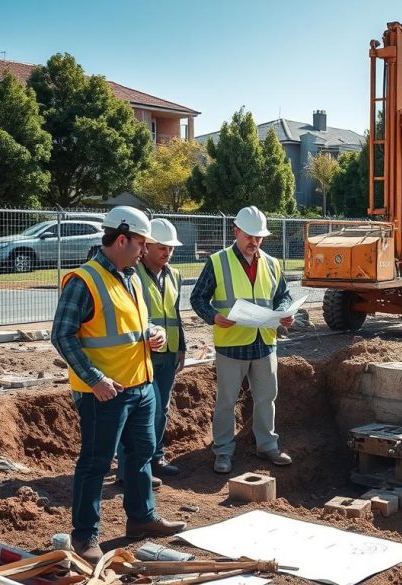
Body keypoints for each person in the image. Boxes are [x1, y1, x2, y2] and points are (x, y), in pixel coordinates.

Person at [51, 206, 186, 564]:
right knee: (95, 463)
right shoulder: (84, 280)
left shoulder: (130, 277)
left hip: (140, 385)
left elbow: (131, 327)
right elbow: (62, 335)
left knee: (140, 456)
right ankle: (85, 536)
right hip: (105, 393)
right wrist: (94, 380)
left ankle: (142, 518)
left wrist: (152, 333)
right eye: (141, 243)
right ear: (121, 239)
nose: (145, 251)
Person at [190, 205, 292, 474]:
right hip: (231, 342)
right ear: (236, 231)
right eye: (249, 235)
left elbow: (284, 295)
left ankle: (267, 445)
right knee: (226, 400)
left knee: (266, 397)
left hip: (264, 341)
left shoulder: (272, 263)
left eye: (258, 237)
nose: (254, 241)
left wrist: (284, 312)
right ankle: (223, 451)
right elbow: (197, 298)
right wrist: (213, 316)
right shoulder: (218, 261)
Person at [116, 218, 186, 480]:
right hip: (141, 354)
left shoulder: (174, 275)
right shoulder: (133, 276)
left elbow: (175, 313)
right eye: (162, 248)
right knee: (140, 411)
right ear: (146, 247)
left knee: (162, 409)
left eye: (171, 248)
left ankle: (155, 459)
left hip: (168, 354)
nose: (167, 253)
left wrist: (181, 346)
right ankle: (130, 469)